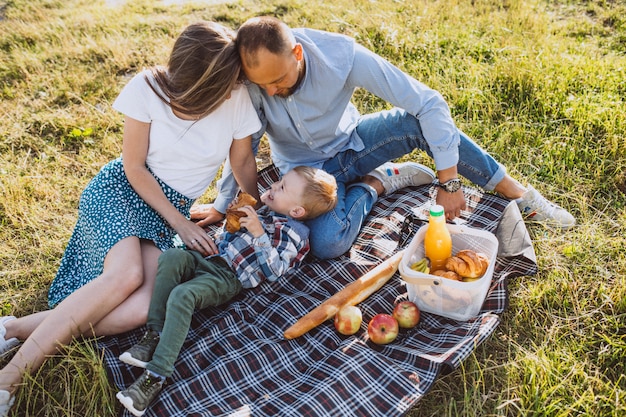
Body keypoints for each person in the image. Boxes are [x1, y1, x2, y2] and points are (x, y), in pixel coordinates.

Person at [0, 21, 262, 416]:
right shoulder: (148, 88)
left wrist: (255, 204)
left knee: (141, 309)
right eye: (222, 86)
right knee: (125, 277)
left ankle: (13, 328)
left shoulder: (236, 96)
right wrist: (180, 222)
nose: (231, 90)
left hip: (167, 211)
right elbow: (134, 168)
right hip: (124, 191)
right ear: (196, 85)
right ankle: (11, 379)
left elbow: (241, 159)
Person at [196, 16, 576, 260]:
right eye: (264, 85)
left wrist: (449, 180)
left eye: (280, 80)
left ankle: (518, 193)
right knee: (327, 244)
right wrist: (225, 203)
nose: (273, 91)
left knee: (417, 123)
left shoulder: (340, 55)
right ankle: (380, 182)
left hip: (356, 144)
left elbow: (429, 103)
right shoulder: (254, 85)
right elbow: (241, 150)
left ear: (297, 53)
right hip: (303, 175)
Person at [115, 166, 338, 416]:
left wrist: (258, 233)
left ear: (297, 211)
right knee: (172, 257)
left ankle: (155, 375)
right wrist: (233, 220)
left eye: (282, 187)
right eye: (279, 181)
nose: (274, 186)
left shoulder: (294, 234)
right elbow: (228, 238)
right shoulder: (264, 212)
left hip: (229, 277)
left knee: (183, 295)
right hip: (211, 260)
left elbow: (275, 270)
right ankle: (154, 333)